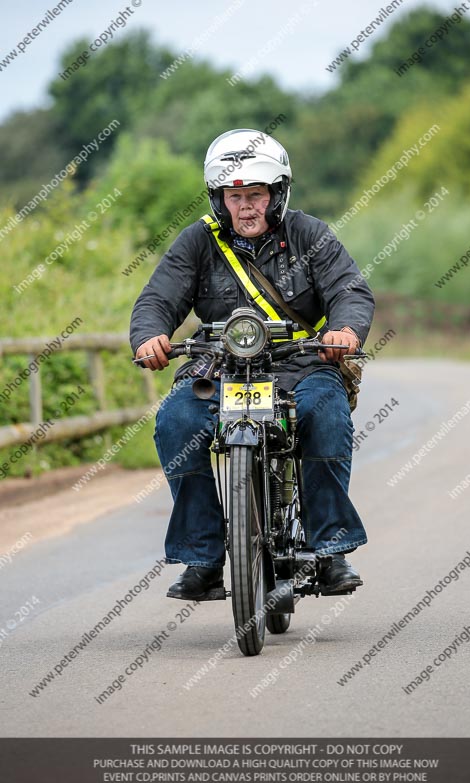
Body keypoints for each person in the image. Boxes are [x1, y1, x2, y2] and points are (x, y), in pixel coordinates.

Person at [130, 129, 375, 601]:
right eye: (234, 195)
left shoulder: (310, 234)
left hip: (299, 364)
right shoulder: (197, 242)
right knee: (177, 421)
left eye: (256, 195)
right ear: (220, 199)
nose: (245, 206)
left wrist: (344, 331)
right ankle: (202, 558)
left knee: (325, 414)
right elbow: (158, 298)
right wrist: (150, 336)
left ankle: (329, 550)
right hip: (218, 368)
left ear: (278, 195)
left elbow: (350, 290)